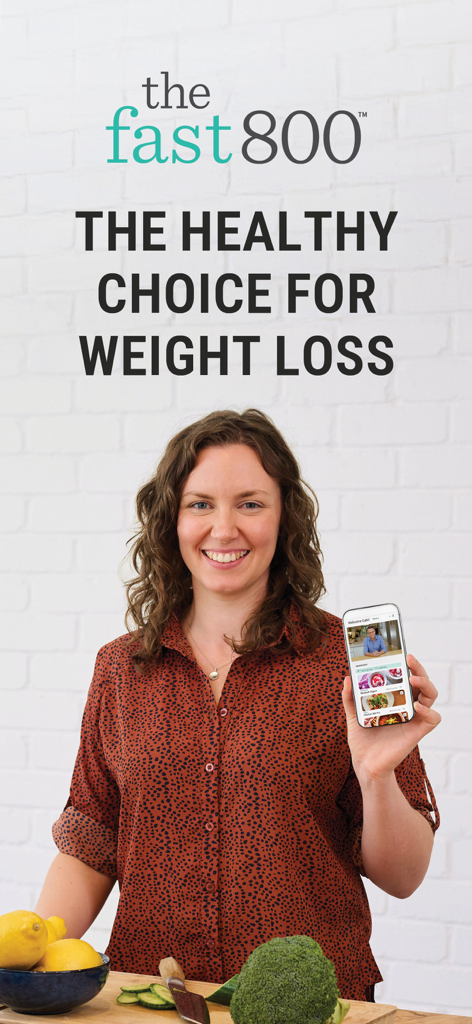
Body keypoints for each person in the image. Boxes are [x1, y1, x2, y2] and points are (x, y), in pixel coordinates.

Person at [35, 409, 440, 1001]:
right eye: (200, 504)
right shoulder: (121, 668)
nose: (223, 528)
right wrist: (26, 959)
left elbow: (403, 878)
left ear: (284, 517)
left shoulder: (345, 662)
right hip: (155, 999)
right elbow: (91, 844)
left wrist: (377, 777)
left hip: (306, 1006)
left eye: (250, 503)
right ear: (172, 520)